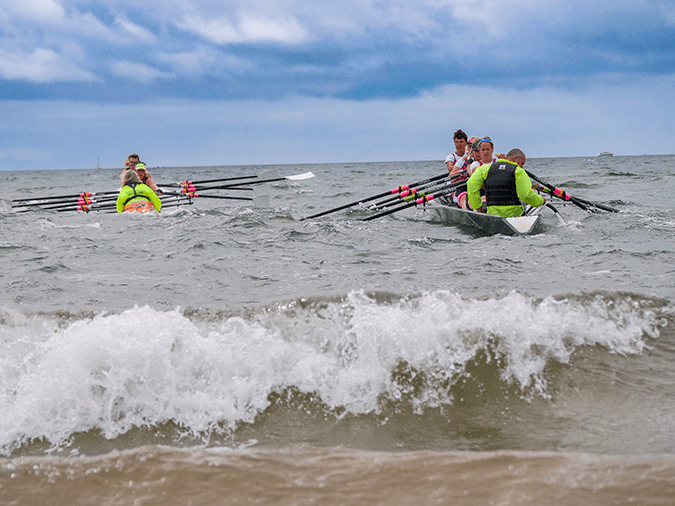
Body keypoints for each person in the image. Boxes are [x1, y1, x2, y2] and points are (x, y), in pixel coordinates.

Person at [466, 148, 545, 217]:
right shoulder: (519, 171)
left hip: (492, 214)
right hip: (515, 215)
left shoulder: (484, 169)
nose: (522, 166)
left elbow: (471, 184)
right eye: (522, 163)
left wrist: (477, 206)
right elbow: (525, 195)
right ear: (516, 158)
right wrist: (540, 201)